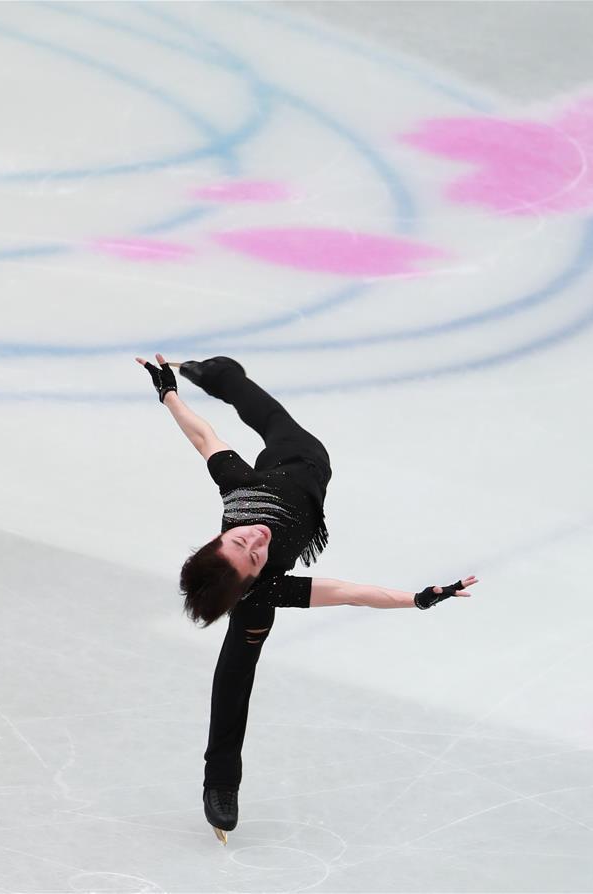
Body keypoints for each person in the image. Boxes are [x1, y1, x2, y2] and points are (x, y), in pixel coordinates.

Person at [135, 353, 478, 843]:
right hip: (275, 551)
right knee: (234, 678)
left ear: (219, 537)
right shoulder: (267, 586)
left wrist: (169, 393)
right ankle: (221, 784)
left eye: (240, 542)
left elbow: (202, 437)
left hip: (297, 457)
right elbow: (349, 593)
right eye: (255, 556)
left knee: (264, 413)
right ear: (255, 575)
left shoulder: (238, 490)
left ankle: (215, 373)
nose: (257, 541)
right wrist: (418, 599)